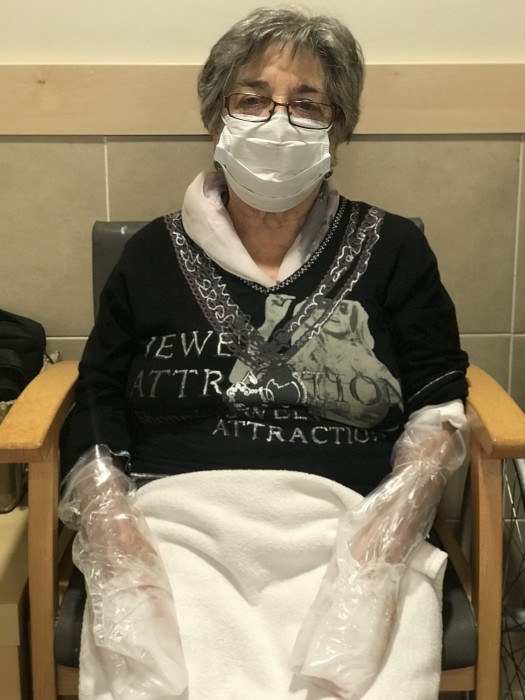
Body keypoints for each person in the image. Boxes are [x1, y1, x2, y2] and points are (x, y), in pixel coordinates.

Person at [59, 7, 469, 699]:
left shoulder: (394, 248)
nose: (277, 122)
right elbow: (97, 391)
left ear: (337, 130)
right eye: (251, 99)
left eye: (307, 104)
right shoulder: (152, 254)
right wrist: (117, 537)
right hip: (177, 526)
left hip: (345, 522)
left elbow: (438, 401)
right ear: (216, 117)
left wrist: (381, 543)